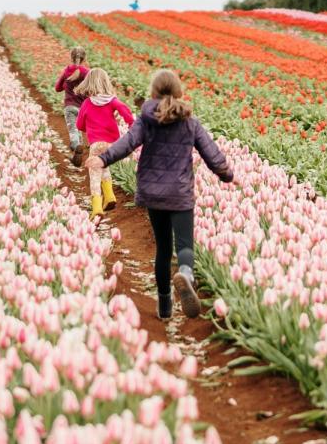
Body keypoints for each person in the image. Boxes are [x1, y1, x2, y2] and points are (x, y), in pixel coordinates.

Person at [86, 68, 233, 321]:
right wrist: (226, 174)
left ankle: (165, 307)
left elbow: (127, 143)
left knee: (163, 249)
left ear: (153, 92)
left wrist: (103, 159)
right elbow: (211, 153)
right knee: (184, 244)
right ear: (179, 92)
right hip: (180, 192)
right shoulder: (190, 122)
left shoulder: (146, 120)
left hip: (153, 193)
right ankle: (185, 274)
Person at [75, 68, 134, 219]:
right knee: (103, 165)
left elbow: (79, 125)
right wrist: (131, 124)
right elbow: (125, 110)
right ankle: (109, 196)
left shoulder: (87, 103)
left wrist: (88, 126)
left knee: (94, 173)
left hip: (96, 144)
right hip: (112, 143)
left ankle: (96, 207)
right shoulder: (112, 100)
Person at [54, 47, 89, 158]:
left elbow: (57, 88)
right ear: (84, 58)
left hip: (70, 106)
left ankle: (76, 146)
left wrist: (67, 85)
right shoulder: (87, 73)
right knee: (78, 129)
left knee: (73, 130)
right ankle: (78, 155)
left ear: (71, 57)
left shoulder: (67, 71)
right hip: (83, 108)